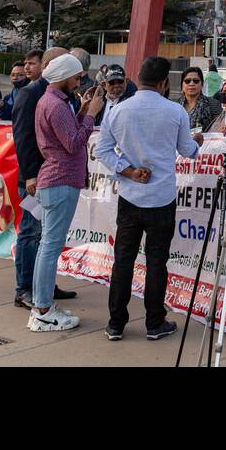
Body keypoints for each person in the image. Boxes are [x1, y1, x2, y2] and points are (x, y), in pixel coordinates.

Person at [95, 57, 204, 341]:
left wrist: (128, 171)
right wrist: (197, 143)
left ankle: (116, 323)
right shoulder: (175, 111)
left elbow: (102, 151)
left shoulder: (118, 110)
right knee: (157, 262)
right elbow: (187, 150)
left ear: (138, 78)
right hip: (161, 197)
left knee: (123, 260)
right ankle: (155, 322)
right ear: (164, 83)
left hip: (131, 196)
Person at [29, 52, 104, 332]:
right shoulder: (55, 104)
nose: (78, 82)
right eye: (75, 77)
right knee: (50, 247)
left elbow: (67, 135)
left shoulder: (52, 101)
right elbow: (73, 143)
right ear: (62, 77)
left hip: (55, 180)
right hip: (60, 181)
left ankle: (42, 305)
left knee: (47, 247)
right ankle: (43, 309)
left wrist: (83, 112)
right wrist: (92, 115)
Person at [11, 46, 72, 310]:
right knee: (31, 232)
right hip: (35, 179)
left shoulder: (61, 93)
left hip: (52, 177)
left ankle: (44, 285)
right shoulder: (31, 94)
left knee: (47, 236)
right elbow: (22, 138)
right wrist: (30, 176)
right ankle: (25, 288)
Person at [180, 66, 222, 131]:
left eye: (196, 81)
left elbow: (219, 129)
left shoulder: (214, 105)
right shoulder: (174, 106)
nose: (191, 84)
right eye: (187, 81)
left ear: (202, 84)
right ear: (182, 85)